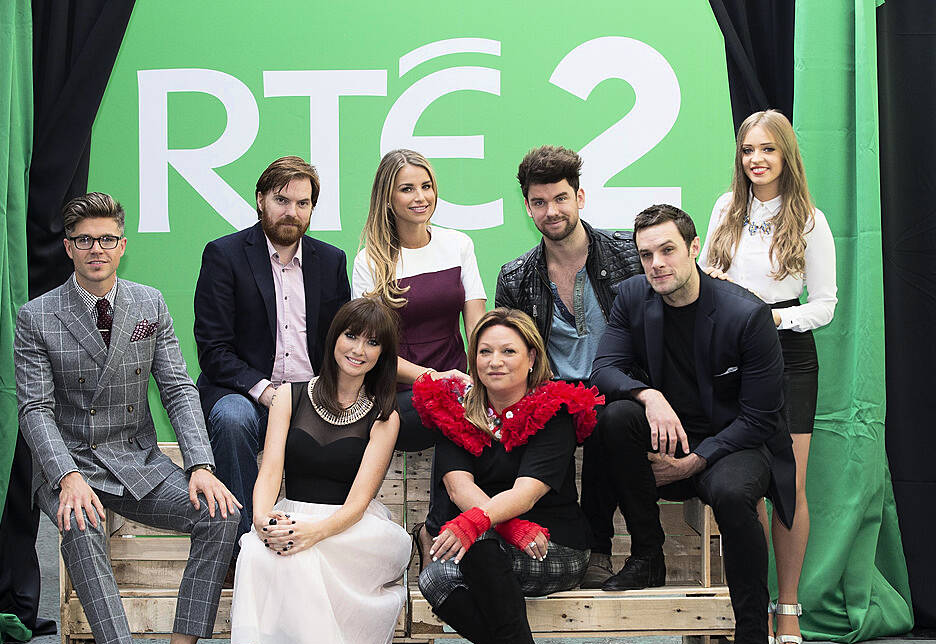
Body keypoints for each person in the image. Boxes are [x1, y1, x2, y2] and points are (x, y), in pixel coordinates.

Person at [15, 193, 240, 644]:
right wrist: (65, 476)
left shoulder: (149, 304)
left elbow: (179, 390)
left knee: (223, 515)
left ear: (123, 245)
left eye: (108, 239)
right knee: (81, 524)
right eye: (86, 240)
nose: (98, 249)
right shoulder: (36, 316)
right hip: (70, 465)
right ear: (69, 248)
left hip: (137, 459)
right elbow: (34, 409)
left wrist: (200, 465)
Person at [591, 203, 795, 644]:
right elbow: (605, 368)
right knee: (614, 417)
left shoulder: (745, 315)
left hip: (736, 442)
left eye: (667, 250)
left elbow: (760, 418)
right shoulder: (632, 297)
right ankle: (648, 555)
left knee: (730, 495)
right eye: (645, 255)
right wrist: (648, 396)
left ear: (694, 248)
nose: (656, 264)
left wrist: (696, 460)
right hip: (670, 431)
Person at [412, 308, 602, 644]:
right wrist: (506, 526)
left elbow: (526, 492)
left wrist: (486, 522)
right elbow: (458, 486)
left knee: (477, 548)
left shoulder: (555, 410)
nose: (494, 361)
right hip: (498, 541)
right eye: (484, 351)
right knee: (435, 576)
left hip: (553, 546)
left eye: (508, 351)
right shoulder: (457, 410)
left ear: (532, 358)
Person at [230, 298, 411, 644]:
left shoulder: (385, 416)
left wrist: (314, 532)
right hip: (292, 512)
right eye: (351, 335)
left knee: (307, 550)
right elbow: (270, 471)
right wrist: (261, 519)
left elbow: (359, 501)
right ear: (334, 338)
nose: (358, 349)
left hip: (351, 527)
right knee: (256, 550)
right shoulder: (289, 397)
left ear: (382, 354)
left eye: (372, 342)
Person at [699, 110, 836, 644]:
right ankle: (748, 606)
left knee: (789, 486)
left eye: (768, 150)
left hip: (788, 356)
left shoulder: (810, 220)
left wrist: (770, 320)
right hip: (731, 355)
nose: (756, 160)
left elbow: (824, 307)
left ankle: (789, 607)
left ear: (787, 156)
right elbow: (704, 274)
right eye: (748, 150)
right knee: (742, 483)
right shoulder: (724, 209)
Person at [496, 145, 643, 588]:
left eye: (560, 198)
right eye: (539, 202)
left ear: (580, 197)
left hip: (619, 391)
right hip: (550, 400)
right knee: (558, 416)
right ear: (527, 207)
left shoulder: (628, 256)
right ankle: (567, 545)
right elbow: (512, 351)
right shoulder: (516, 277)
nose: (551, 211)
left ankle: (599, 547)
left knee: (607, 418)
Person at [194, 156, 350, 553]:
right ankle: (243, 547)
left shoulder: (330, 261)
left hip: (309, 397)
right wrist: (265, 391)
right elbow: (213, 350)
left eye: (303, 203)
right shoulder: (224, 255)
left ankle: (313, 542)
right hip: (244, 391)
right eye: (282, 200)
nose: (292, 212)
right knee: (232, 419)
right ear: (260, 200)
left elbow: (341, 343)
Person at [351, 149, 487, 563]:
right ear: (387, 199)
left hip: (460, 388)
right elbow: (371, 353)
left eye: (426, 186)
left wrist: (481, 379)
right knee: (454, 408)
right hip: (396, 395)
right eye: (407, 188)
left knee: (469, 407)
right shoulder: (370, 262)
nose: (420, 196)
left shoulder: (458, 244)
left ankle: (434, 531)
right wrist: (432, 376)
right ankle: (438, 532)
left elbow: (478, 325)